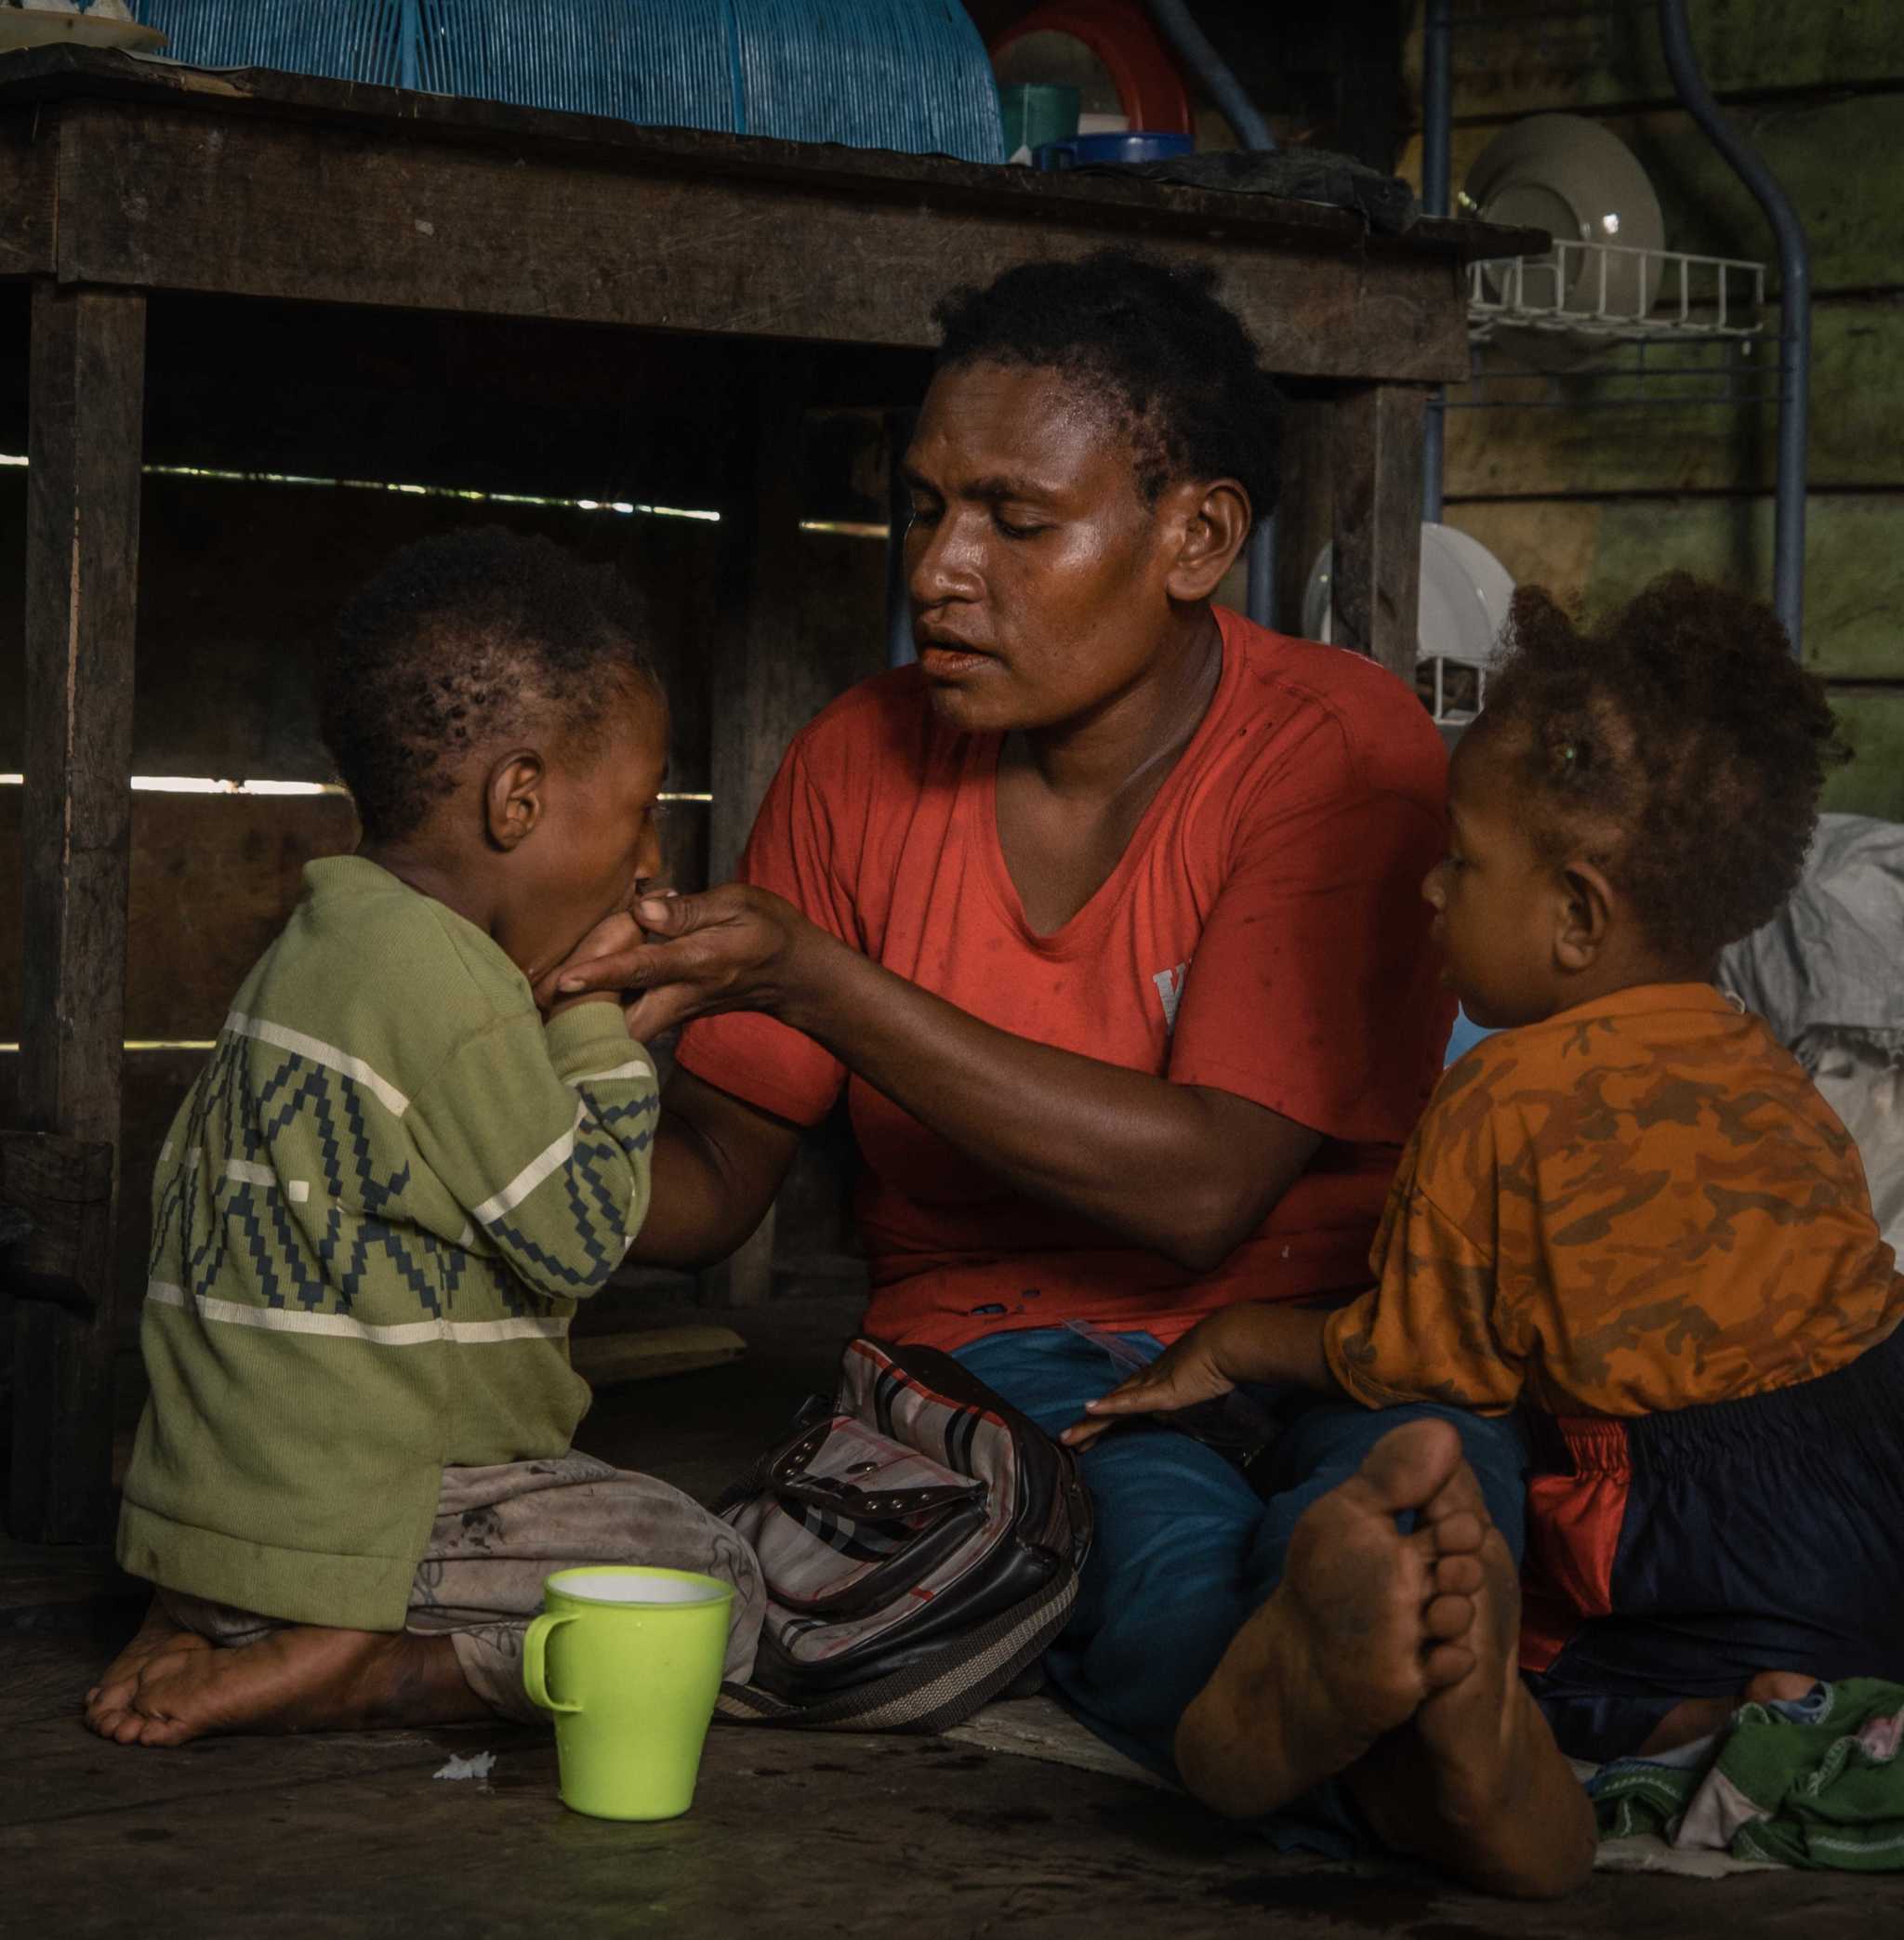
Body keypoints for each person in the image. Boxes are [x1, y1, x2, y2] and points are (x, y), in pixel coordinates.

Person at [546, 252, 1589, 1895]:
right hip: (1015, 1352)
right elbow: (709, 1193)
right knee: (1145, 1548)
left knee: (1425, 1487)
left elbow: (1201, 1189)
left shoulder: (1337, 748)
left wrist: (820, 976)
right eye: (924, 508)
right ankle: (1427, 1767)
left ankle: (1393, 1692)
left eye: (1017, 522)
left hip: (1336, 1329)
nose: (943, 571)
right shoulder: (854, 763)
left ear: (1197, 538)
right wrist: (519, 1097)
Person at [1073, 574, 1904, 1801]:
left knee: (1499, 1667)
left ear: (1576, 916)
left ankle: (1686, 1720)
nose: (1429, 891)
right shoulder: (1761, 1062)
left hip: (1698, 1516)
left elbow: (1426, 1366)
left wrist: (1247, 1340)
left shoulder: (1504, 1097)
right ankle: (1807, 1695)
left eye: (1461, 863)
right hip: (1877, 1471)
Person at [85, 531, 762, 1748]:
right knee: (713, 1576)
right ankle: (366, 1669)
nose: (653, 856)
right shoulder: (453, 995)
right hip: (361, 1532)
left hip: (214, 1515)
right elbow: (583, 1236)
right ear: (518, 800)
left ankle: (200, 1617)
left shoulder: (318, 957)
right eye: (640, 811)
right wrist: (600, 1024)